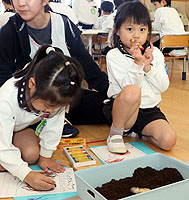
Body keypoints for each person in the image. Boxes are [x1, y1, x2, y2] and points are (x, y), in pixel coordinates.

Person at [0, 0, 109, 137]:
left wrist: (110, 91)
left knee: (109, 107)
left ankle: (58, 121)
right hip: (30, 107)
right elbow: (3, 80)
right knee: (31, 151)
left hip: (63, 99)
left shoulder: (63, 24)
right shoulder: (9, 32)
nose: (21, 3)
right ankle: (46, 125)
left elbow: (86, 64)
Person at [0, 45, 84, 191]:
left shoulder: (51, 93)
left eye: (56, 108)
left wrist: (45, 156)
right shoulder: (6, 99)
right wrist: (27, 175)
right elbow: (2, 146)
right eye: (47, 106)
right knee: (7, 157)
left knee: (32, 155)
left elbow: (55, 125)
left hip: (16, 128)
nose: (51, 111)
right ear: (32, 84)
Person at [105, 1, 176, 153]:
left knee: (168, 140)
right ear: (117, 30)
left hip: (148, 109)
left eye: (142, 29)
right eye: (130, 29)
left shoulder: (155, 53)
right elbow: (129, 87)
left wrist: (147, 67)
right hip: (124, 111)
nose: (136, 35)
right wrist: (137, 64)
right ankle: (116, 133)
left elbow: (163, 86)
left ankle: (138, 132)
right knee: (133, 91)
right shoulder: (114, 55)